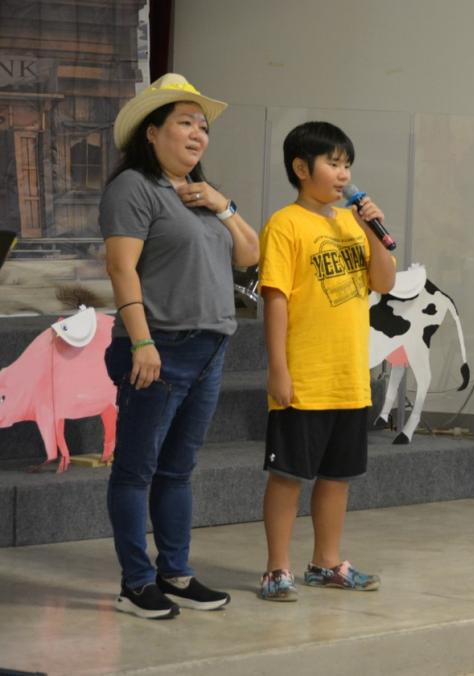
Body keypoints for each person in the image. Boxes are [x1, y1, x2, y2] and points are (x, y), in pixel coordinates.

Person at [101, 73, 260, 619]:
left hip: (210, 349)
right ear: (152, 132)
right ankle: (135, 583)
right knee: (135, 470)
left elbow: (249, 254)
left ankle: (175, 572)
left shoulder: (200, 195)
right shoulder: (134, 188)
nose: (198, 134)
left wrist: (223, 204)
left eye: (203, 127)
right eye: (185, 123)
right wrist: (141, 340)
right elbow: (121, 268)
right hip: (160, 346)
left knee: (177, 470)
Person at [257, 121, 396, 601]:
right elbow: (275, 299)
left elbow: (384, 282)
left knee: (338, 476)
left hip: (349, 376)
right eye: (333, 164)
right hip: (305, 375)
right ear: (301, 168)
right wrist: (278, 368)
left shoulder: (352, 224)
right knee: (288, 475)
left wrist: (372, 230)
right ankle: (277, 569)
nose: (343, 175)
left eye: (347, 165)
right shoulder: (285, 224)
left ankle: (326, 562)